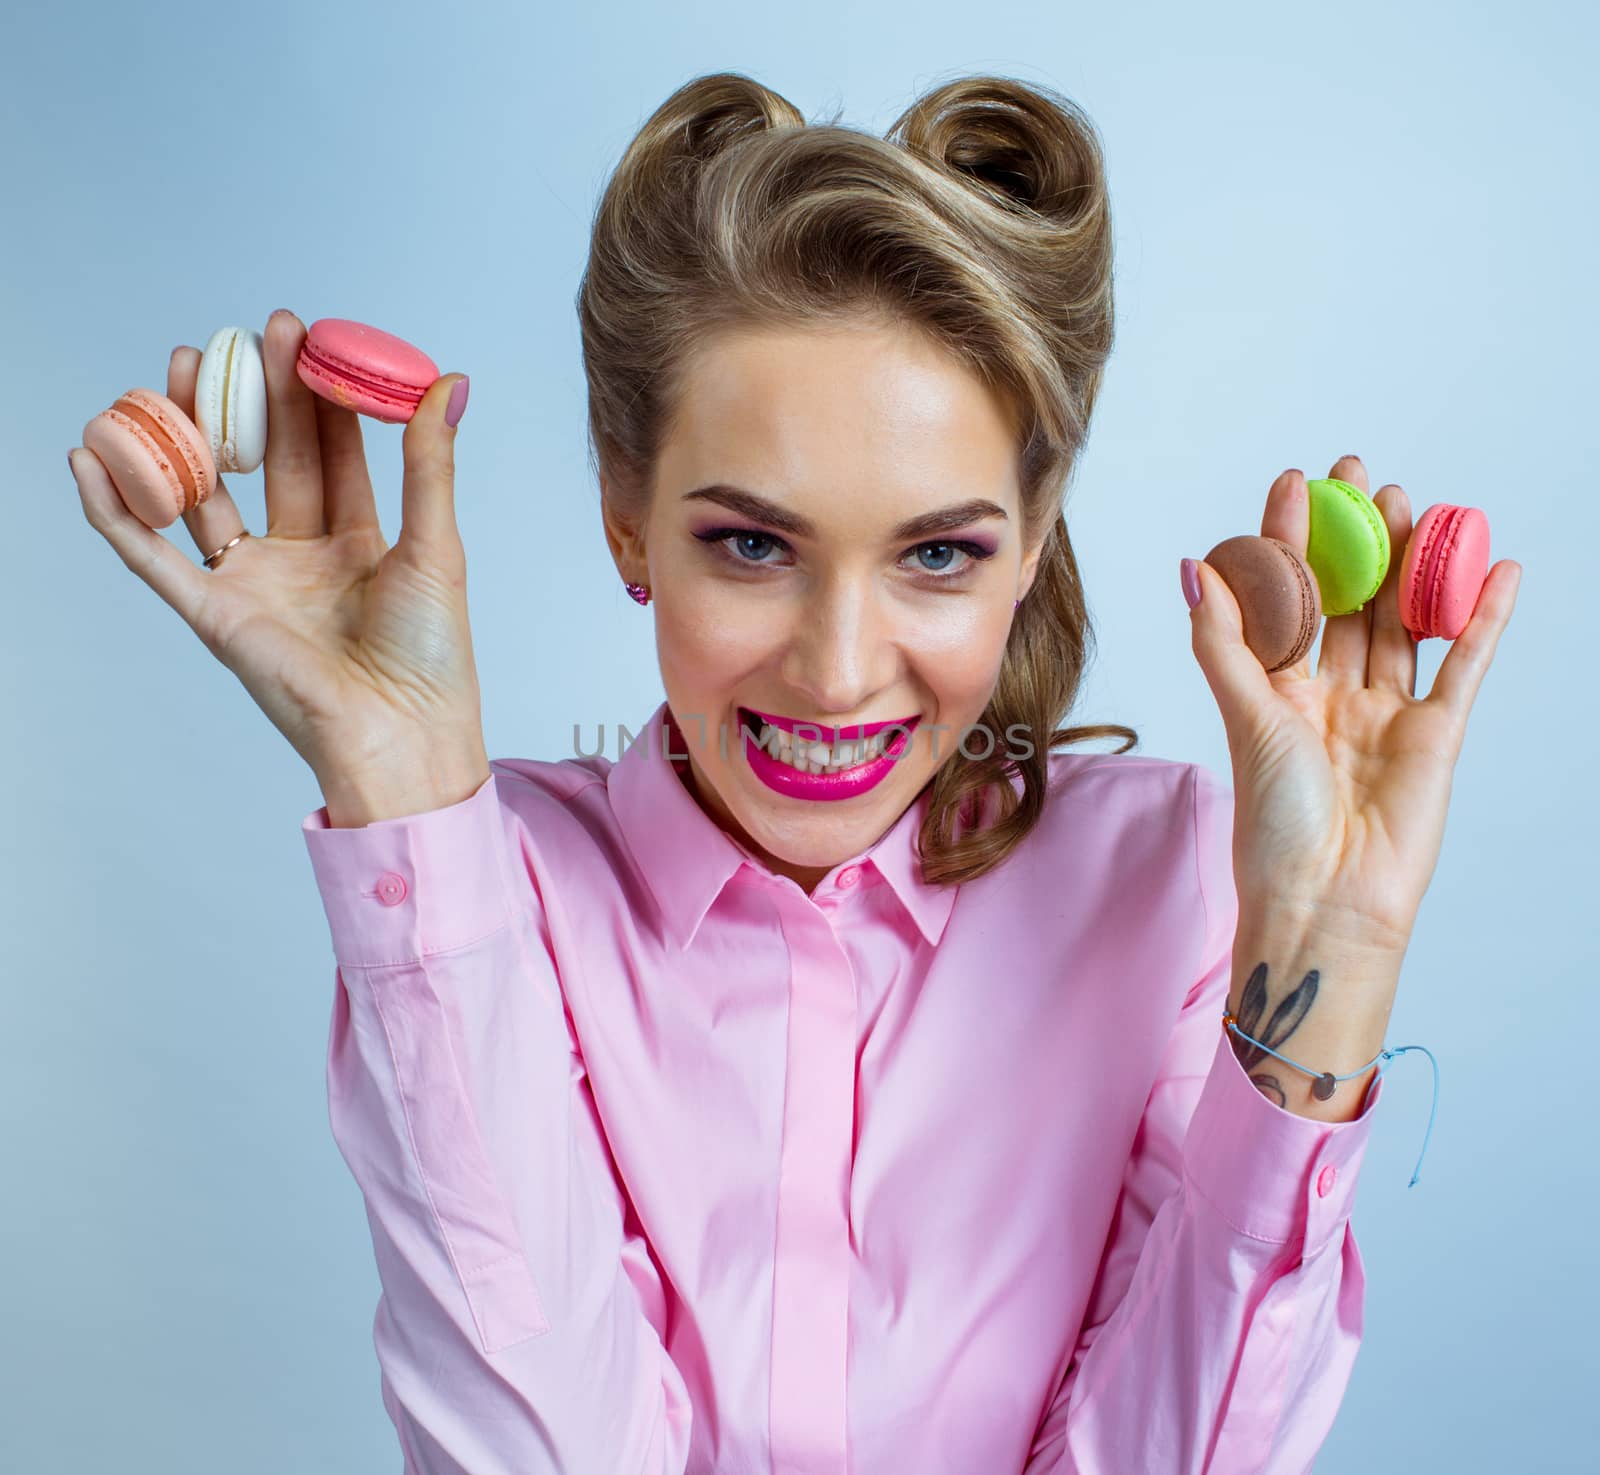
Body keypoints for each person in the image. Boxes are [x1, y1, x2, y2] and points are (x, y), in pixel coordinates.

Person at [68, 71, 1519, 1475]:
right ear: (626, 519)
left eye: (938, 553)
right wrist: (400, 783)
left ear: (1030, 540)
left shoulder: (1175, 892)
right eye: (751, 544)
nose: (835, 671)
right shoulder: (477, 898)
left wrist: (1328, 963)